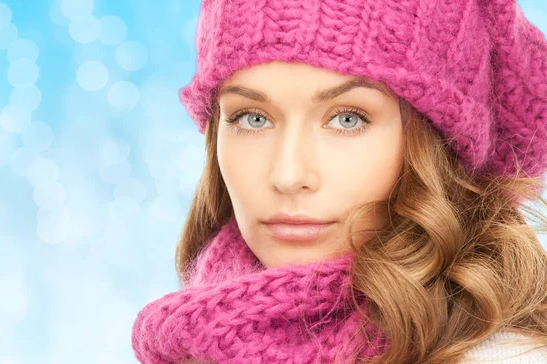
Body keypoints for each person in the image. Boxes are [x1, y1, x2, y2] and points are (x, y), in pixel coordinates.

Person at [132, 0, 547, 362]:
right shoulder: (196, 338)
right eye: (252, 118)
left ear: (435, 144)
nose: (288, 176)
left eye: (347, 119)